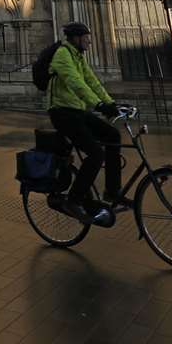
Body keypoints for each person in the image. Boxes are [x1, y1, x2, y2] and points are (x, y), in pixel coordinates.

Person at [46, 22, 127, 224]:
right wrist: (98, 104)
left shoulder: (78, 57)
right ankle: (73, 200)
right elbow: (76, 83)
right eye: (86, 37)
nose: (90, 40)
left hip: (77, 110)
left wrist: (110, 103)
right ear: (75, 38)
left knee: (113, 136)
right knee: (96, 153)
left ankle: (112, 190)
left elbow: (92, 81)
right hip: (61, 112)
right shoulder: (63, 55)